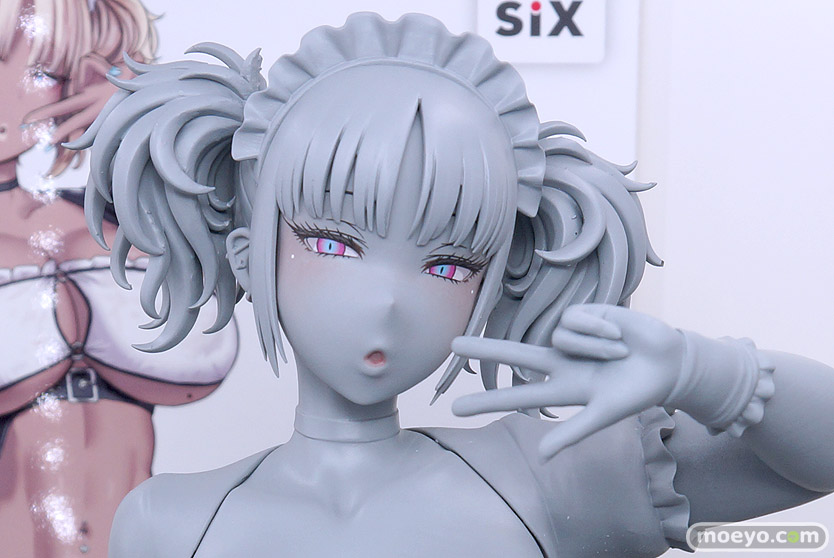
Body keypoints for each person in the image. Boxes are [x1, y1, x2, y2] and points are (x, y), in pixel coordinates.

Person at [75, 12, 834, 557]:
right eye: (335, 243)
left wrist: (708, 371)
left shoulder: (551, 481)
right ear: (248, 255)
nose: (388, 300)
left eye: (448, 266)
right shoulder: (170, 523)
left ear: (491, 285)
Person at [0, 1, 238, 556]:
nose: (6, 93)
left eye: (43, 72)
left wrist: (150, 110)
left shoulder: (132, 217)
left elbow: (265, 173)